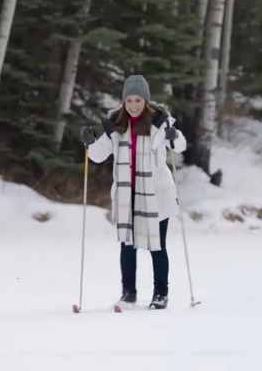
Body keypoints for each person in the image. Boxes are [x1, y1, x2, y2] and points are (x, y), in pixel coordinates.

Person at [80, 74, 187, 310]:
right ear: (124, 102)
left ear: (146, 101)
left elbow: (180, 146)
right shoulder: (116, 125)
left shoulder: (160, 123)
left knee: (157, 245)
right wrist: (90, 143)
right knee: (127, 245)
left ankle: (161, 293)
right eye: (129, 100)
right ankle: (128, 293)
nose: (133, 105)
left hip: (156, 194)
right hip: (127, 195)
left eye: (138, 100)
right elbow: (98, 155)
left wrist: (174, 136)